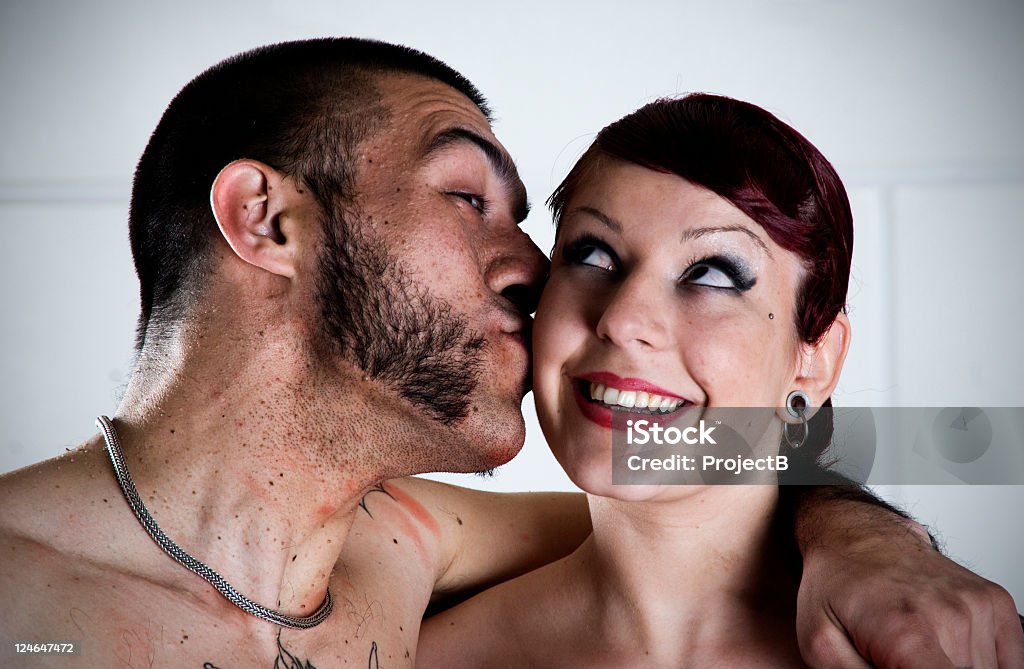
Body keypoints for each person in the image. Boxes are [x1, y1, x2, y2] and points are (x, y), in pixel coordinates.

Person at [0, 39, 1017, 667]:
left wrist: (870, 541)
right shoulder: (26, 598)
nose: (542, 274)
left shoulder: (396, 549)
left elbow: (728, 482)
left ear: (817, 355)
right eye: (465, 197)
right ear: (264, 220)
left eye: (712, 272)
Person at [416, 94, 1024, 668]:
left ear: (813, 362)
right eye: (594, 256)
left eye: (710, 274)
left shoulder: (956, 649)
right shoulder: (410, 652)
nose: (623, 320)